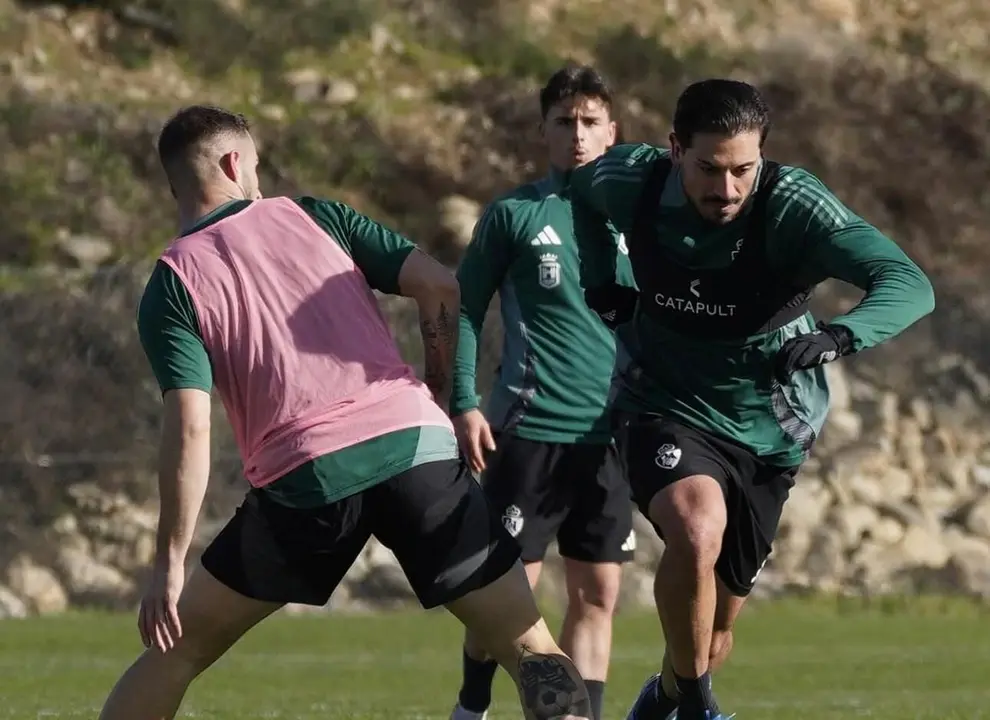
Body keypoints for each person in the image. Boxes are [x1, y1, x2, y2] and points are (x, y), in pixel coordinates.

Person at [97, 105, 592, 720]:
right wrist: (434, 391)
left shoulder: (172, 283)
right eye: (254, 165)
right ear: (232, 163)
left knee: (176, 652)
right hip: (417, 450)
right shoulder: (314, 214)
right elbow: (439, 284)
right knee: (533, 650)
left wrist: (168, 566)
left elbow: (192, 426)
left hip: (306, 484)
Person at [570, 79, 936, 720]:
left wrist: (841, 333)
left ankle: (668, 698)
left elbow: (907, 282)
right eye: (709, 168)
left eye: (743, 168)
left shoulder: (794, 206)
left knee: (711, 635)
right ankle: (701, 709)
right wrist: (603, 280)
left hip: (770, 424)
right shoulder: (633, 179)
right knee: (694, 526)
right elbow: (583, 194)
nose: (727, 189)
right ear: (675, 148)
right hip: (661, 398)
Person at [448, 65, 637, 720]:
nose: (578, 135)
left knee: (597, 595)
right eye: (565, 123)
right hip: (527, 431)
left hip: (612, 440)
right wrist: (464, 401)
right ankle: (473, 703)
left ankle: (582, 715)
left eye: (590, 122)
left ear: (612, 132)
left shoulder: (640, 220)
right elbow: (464, 309)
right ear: (544, 132)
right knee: (508, 596)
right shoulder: (517, 214)